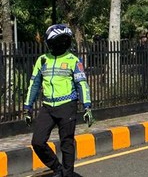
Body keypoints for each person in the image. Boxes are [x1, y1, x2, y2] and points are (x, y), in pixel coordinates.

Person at [23, 24, 94, 177]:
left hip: (67, 105)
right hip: (47, 106)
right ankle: (57, 168)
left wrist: (87, 106)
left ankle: (67, 174)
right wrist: (27, 107)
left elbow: (82, 84)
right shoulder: (42, 60)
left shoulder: (73, 60)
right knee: (37, 141)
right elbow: (34, 84)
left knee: (66, 143)